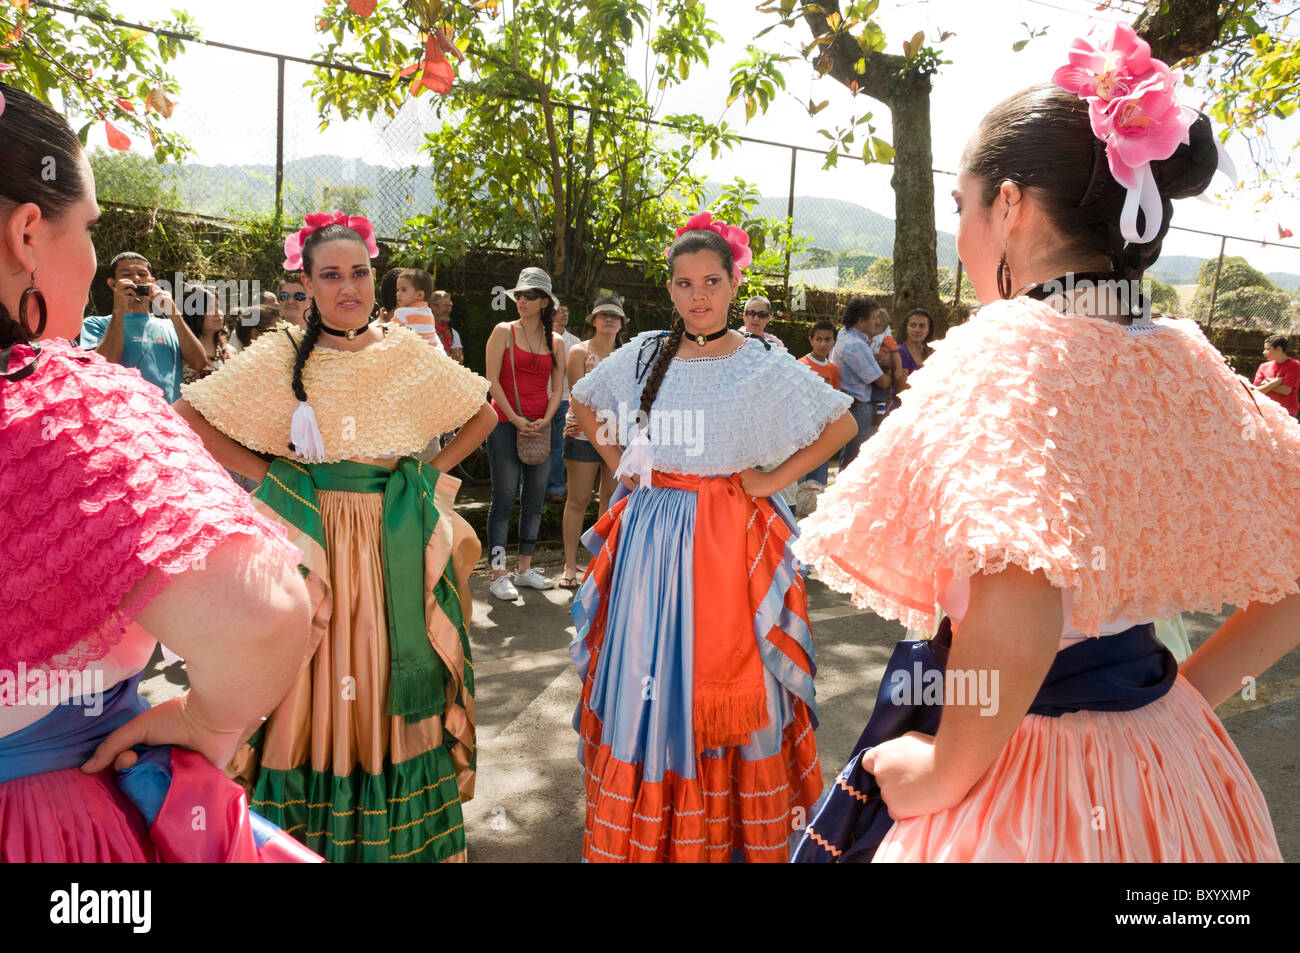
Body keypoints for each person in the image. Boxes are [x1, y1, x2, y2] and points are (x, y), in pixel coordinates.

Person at [794, 32, 1298, 863]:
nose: (960, 229)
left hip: (1020, 772)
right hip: (1175, 764)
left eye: (963, 204)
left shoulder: (1008, 350)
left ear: (1013, 205)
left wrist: (942, 771)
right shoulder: (1184, 357)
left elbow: (1019, 601)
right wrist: (1189, 699)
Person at [0, 81, 319, 863]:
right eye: (93, 229)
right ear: (27, 233)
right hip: (51, 824)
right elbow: (268, 615)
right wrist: (209, 725)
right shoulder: (67, 404)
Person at [175, 210, 498, 862]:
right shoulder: (280, 355)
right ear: (307, 279)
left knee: (385, 677)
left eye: (358, 271)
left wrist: (425, 475)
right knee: (311, 677)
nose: (347, 286)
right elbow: (186, 415)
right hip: (314, 540)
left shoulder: (406, 351)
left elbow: (484, 413)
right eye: (330, 274)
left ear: (374, 274)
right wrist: (271, 474)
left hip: (394, 541)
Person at [567, 212, 857, 862]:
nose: (698, 295)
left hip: (729, 542)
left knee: (724, 681)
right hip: (649, 537)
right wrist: (621, 466)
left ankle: (717, 838)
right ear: (669, 289)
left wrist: (769, 480)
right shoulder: (644, 350)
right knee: (648, 676)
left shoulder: (762, 361)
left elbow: (839, 425)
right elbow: (584, 396)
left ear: (733, 285)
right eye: (684, 283)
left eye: (711, 281)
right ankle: (654, 836)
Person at [483, 267, 565, 601]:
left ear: (544, 302)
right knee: (503, 499)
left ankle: (525, 569)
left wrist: (545, 420)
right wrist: (516, 418)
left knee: (534, 501)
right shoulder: (503, 330)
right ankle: (498, 572)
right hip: (504, 422)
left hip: (541, 425)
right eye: (518, 294)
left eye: (529, 295)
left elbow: (558, 388)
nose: (521, 300)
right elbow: (491, 380)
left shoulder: (556, 341)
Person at [557, 294, 627, 590]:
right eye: (603, 315)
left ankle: (601, 564)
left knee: (610, 503)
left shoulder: (627, 354)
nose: (608, 319)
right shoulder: (579, 351)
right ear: (594, 321)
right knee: (578, 499)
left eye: (614, 316)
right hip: (583, 433)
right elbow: (577, 395)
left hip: (616, 436)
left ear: (622, 323)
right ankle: (569, 565)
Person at [78, 251, 207, 403]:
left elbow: (199, 363)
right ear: (112, 284)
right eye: (127, 275)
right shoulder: (95, 324)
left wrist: (174, 314)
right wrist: (119, 309)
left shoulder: (170, 325)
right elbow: (102, 366)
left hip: (170, 418)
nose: (136, 279)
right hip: (125, 418)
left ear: (152, 282)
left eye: (142, 274)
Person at [830, 294, 891, 469]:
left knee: (851, 460)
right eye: (873, 318)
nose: (877, 323)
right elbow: (882, 382)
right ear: (860, 321)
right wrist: (889, 371)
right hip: (860, 410)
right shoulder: (855, 345)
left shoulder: (844, 335)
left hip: (852, 407)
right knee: (858, 465)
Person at [798, 319, 840, 489]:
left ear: (834, 342)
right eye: (819, 339)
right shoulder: (801, 365)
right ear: (811, 340)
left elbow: (836, 398)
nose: (823, 343)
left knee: (818, 484)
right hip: (803, 433)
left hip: (823, 433)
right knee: (799, 479)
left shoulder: (832, 369)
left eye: (828, 339)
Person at [547, 302, 581, 502]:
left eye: (567, 310)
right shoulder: (540, 337)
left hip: (563, 400)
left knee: (559, 446)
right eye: (560, 311)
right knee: (536, 445)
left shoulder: (574, 342)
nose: (564, 314)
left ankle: (556, 488)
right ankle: (526, 488)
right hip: (541, 399)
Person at [180, 283, 231, 383]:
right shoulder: (180, 349)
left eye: (219, 307)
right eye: (210, 309)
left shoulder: (226, 351)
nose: (218, 313)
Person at [1253, 334, 1299, 418]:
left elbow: (1286, 390)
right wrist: (1275, 382)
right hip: (1265, 410)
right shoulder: (1263, 366)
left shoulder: (1294, 365)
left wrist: (1265, 383)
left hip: (1286, 411)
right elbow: (1256, 390)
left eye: (1267, 349)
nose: (1264, 352)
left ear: (1279, 349)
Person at [894, 307, 933, 401]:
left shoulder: (930, 352)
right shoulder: (900, 352)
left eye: (922, 326)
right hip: (905, 408)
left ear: (928, 330)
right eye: (913, 325)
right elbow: (902, 390)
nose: (917, 330)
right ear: (906, 329)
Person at [431, 290, 465, 363]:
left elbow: (460, 360)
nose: (449, 310)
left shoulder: (453, 333)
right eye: (446, 306)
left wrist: (454, 356)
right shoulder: (426, 331)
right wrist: (452, 356)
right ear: (434, 307)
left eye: (450, 306)